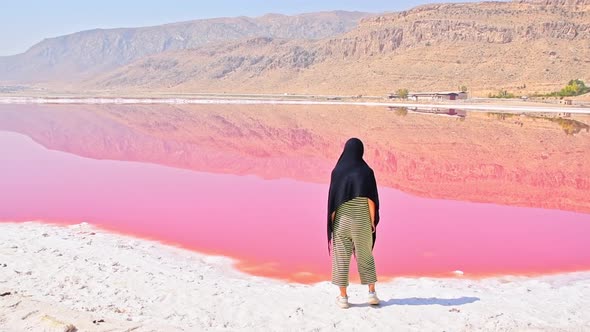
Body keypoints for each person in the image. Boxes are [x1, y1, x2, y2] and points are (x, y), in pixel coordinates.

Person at [327, 137, 380, 309]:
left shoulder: (338, 171)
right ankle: (372, 294)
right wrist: (372, 221)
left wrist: (332, 224)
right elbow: (371, 199)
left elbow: (334, 201)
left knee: (341, 259)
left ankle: (343, 298)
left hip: (342, 221)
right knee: (366, 256)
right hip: (362, 222)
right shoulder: (367, 172)